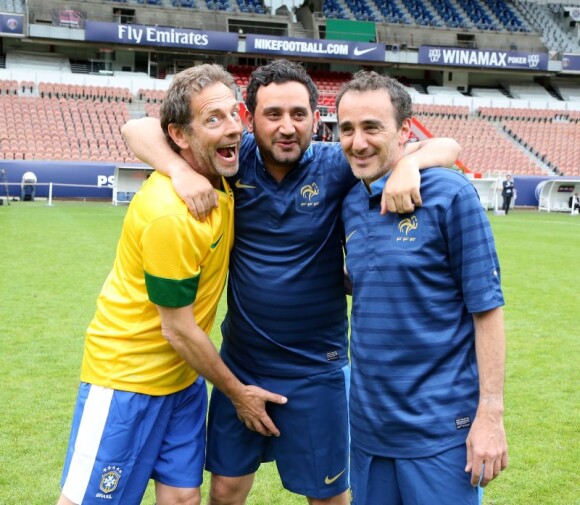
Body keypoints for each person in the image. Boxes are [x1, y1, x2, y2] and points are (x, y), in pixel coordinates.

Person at [122, 59, 461, 505]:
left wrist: (407, 168)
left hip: (316, 370)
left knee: (328, 498)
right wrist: (180, 170)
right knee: (224, 491)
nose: (287, 127)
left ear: (315, 120)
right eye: (273, 115)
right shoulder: (232, 159)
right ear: (250, 120)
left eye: (299, 114)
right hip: (239, 364)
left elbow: (449, 146)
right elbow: (137, 129)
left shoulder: (336, 165)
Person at [57, 64, 286, 505]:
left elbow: (137, 127)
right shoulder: (171, 214)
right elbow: (177, 328)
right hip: (129, 378)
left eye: (232, 114)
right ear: (180, 135)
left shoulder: (226, 171)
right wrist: (239, 395)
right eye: (212, 119)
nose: (233, 129)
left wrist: (181, 169)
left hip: (183, 381)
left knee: (182, 498)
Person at [337, 70, 508, 505]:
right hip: (369, 432)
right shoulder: (351, 201)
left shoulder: (451, 195)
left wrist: (490, 414)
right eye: (347, 129)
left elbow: (486, 309)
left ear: (405, 131)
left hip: (440, 433)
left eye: (372, 127)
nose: (358, 142)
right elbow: (376, 283)